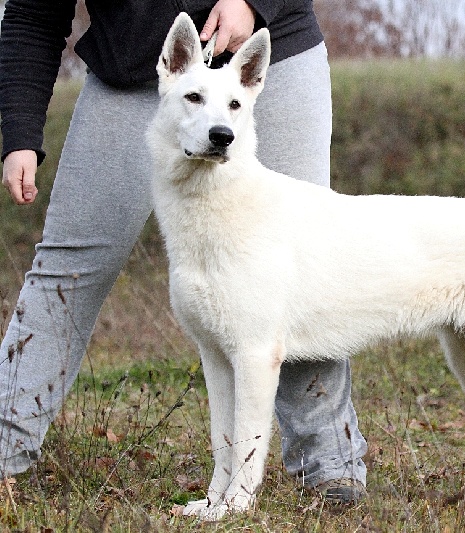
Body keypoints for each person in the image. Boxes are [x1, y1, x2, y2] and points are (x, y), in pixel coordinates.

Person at [0, 0, 367, 504]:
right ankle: (4, 446)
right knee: (69, 265)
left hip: (266, 51)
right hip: (132, 72)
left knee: (299, 265)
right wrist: (19, 135)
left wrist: (251, 3)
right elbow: (31, 15)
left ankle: (329, 461)